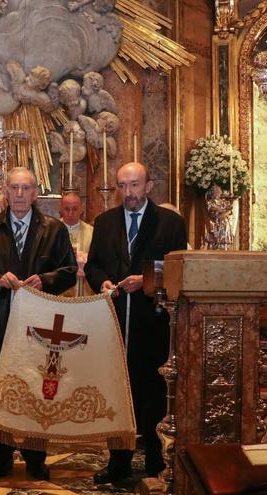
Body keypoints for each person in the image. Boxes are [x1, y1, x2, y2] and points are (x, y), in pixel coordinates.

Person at [0, 166, 76, 481]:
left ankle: (36, 458)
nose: (20, 194)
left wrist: (47, 279)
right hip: (0, 323)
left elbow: (68, 269)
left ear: (36, 193)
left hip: (41, 327)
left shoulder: (54, 229)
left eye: (26, 188)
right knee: (1, 392)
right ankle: (0, 456)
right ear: (5, 192)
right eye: (14, 188)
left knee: (39, 391)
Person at [84, 162, 187, 487]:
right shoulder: (104, 222)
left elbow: (178, 269)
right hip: (114, 323)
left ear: (148, 186)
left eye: (134, 185)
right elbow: (94, 266)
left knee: (153, 395)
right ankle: (118, 463)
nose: (128, 193)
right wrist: (102, 282)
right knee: (116, 394)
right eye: (122, 186)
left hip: (152, 324)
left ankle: (157, 463)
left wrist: (145, 280)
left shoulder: (170, 222)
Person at [58, 192, 93, 297]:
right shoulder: (51, 231)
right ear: (60, 208)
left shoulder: (92, 232)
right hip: (59, 290)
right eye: (67, 209)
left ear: (82, 209)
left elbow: (97, 263)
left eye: (74, 209)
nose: (70, 213)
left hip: (83, 289)